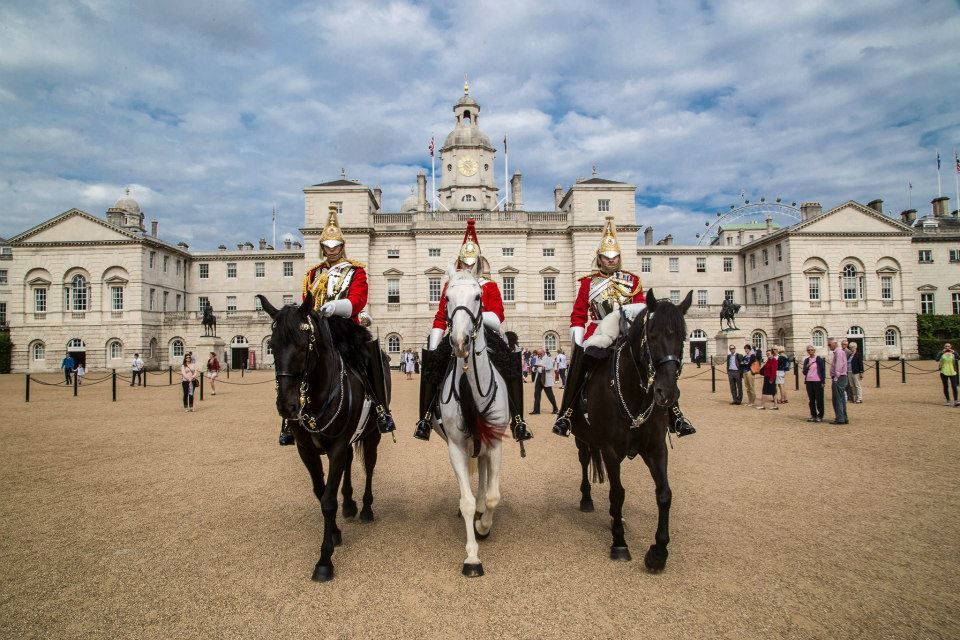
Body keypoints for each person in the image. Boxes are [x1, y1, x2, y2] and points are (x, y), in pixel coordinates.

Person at [554, 216, 695, 438]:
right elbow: (579, 314)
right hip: (599, 333)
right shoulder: (587, 283)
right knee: (579, 367)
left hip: (628, 332)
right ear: (599, 259)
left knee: (659, 365)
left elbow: (640, 307)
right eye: (606, 257)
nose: (611, 261)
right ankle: (567, 413)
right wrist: (578, 341)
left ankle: (675, 415)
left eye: (615, 257)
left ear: (619, 257)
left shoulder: (632, 280)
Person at [414, 219, 531, 443]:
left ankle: (518, 419)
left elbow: (498, 316)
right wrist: (434, 345)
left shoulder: (490, 285)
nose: (468, 267)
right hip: (457, 332)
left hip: (485, 335)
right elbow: (441, 317)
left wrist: (474, 317)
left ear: (479, 263)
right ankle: (425, 418)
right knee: (432, 365)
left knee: (510, 362)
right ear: (460, 262)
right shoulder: (451, 286)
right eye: (464, 263)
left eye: (472, 262)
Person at [294, 203, 395, 447]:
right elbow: (306, 301)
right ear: (322, 247)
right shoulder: (312, 274)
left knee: (371, 356)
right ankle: (289, 420)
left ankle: (381, 409)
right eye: (327, 246)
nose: (331, 250)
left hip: (344, 327)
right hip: (317, 328)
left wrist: (336, 307)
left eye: (335, 245)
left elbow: (359, 300)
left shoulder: (355, 271)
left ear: (342, 246)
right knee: (294, 362)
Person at [802, 345, 826, 422]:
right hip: (809, 381)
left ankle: (820, 415)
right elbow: (804, 372)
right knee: (811, 400)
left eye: (811, 350)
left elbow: (822, 371)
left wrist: (823, 381)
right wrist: (807, 367)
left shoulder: (818, 359)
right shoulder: (806, 360)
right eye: (808, 350)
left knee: (819, 399)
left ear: (814, 350)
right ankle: (813, 415)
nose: (810, 351)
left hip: (817, 381)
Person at [827, 337, 849, 424]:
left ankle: (840, 418)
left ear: (835, 343)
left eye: (830, 344)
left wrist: (836, 377)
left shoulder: (839, 352)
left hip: (839, 378)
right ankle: (844, 417)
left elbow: (838, 365)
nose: (829, 346)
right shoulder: (839, 352)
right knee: (841, 398)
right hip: (841, 377)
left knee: (837, 399)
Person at [531, 349, 559, 414]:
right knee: (536, 394)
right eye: (538, 354)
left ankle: (555, 408)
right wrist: (535, 368)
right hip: (539, 377)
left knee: (550, 395)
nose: (539, 355)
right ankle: (536, 410)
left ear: (543, 353)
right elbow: (533, 368)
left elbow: (550, 367)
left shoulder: (548, 358)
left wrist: (542, 366)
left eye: (540, 354)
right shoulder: (538, 359)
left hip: (545, 377)